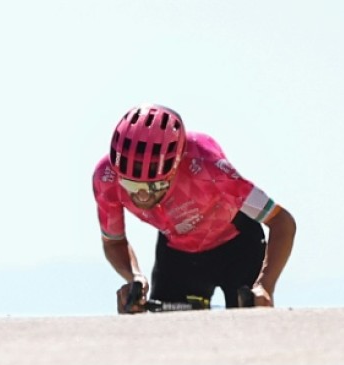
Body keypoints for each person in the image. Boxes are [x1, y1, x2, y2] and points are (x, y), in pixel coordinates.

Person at [92, 104, 296, 313]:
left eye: (155, 186)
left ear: (175, 168)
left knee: (252, 322)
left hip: (238, 247)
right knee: (151, 325)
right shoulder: (106, 178)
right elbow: (113, 242)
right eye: (131, 185)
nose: (142, 195)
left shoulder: (207, 166)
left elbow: (282, 222)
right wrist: (135, 278)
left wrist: (265, 285)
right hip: (177, 255)